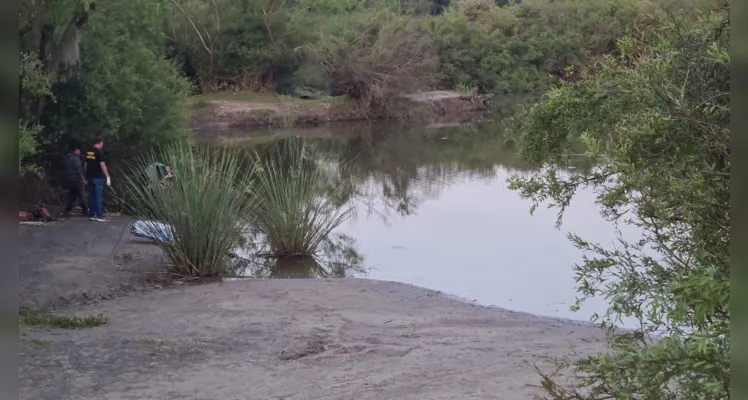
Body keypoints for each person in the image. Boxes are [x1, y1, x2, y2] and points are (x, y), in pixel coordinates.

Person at [84, 138, 111, 222]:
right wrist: (107, 176)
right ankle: (99, 215)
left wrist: (87, 174)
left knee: (92, 196)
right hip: (98, 177)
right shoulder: (99, 152)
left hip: (90, 176)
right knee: (98, 197)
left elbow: (85, 164)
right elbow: (102, 164)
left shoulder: (88, 152)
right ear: (100, 143)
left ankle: (93, 214)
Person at [63, 144, 89, 218]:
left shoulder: (67, 158)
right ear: (75, 150)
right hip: (77, 179)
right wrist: (83, 180)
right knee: (82, 196)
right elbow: (78, 171)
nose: (79, 152)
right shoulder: (75, 159)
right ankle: (85, 211)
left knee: (72, 196)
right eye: (79, 150)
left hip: (70, 179)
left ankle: (67, 210)